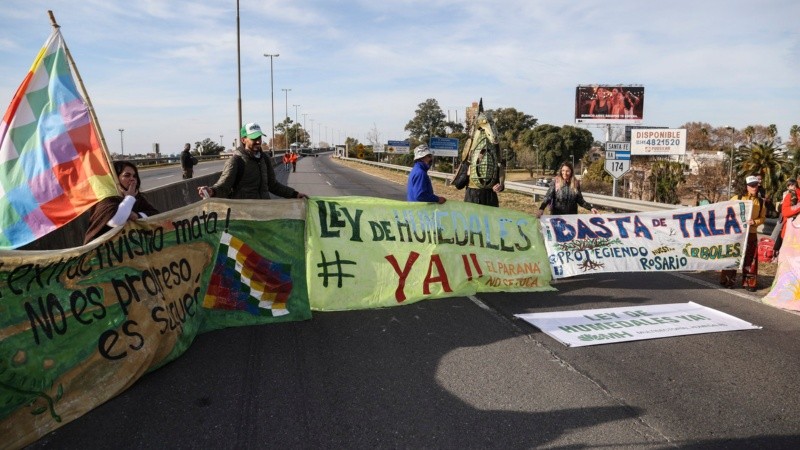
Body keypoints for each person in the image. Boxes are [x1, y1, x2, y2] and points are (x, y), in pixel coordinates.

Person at [197, 122, 308, 200]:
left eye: (259, 138)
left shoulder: (264, 158)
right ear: (243, 140)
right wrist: (211, 191)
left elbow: (273, 185)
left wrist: (295, 194)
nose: (258, 142)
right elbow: (223, 186)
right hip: (244, 218)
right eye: (254, 138)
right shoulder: (236, 161)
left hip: (264, 215)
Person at [84, 161, 160, 244]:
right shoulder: (106, 198)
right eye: (127, 175)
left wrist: (137, 215)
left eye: (134, 176)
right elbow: (115, 221)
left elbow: (156, 214)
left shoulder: (136, 197)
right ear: (116, 178)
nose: (132, 179)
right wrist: (129, 198)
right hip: (100, 250)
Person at [719, 175, 767, 291]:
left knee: (751, 259)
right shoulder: (737, 198)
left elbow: (763, 218)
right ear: (746, 187)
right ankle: (727, 280)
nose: (754, 187)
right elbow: (726, 210)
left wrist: (754, 222)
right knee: (733, 255)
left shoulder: (760, 202)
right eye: (751, 185)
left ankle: (749, 283)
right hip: (737, 233)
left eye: (756, 185)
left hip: (751, 233)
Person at [463, 143, 506, 208]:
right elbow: (459, 185)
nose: (484, 157)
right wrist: (467, 174)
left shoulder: (493, 165)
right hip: (472, 200)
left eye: (487, 153)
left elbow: (499, 183)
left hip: (489, 200)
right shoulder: (469, 164)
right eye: (482, 154)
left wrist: (500, 186)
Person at [771, 178, 798, 258]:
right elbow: (785, 211)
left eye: (794, 185)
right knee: (778, 234)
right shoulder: (788, 194)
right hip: (785, 220)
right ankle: (773, 251)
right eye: (791, 185)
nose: (793, 187)